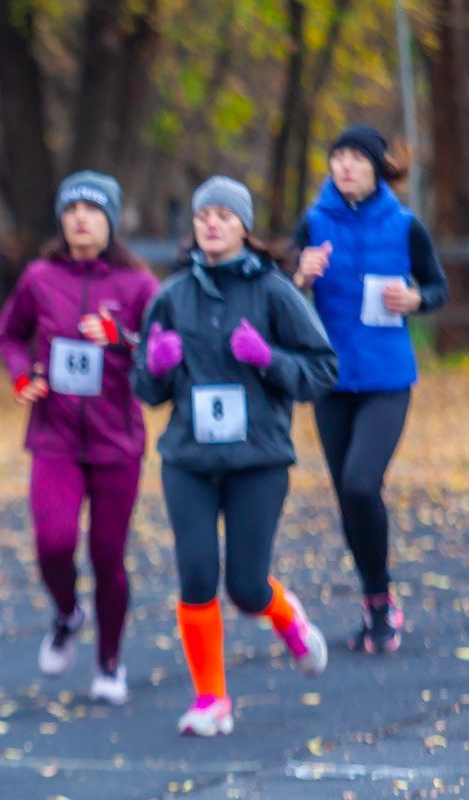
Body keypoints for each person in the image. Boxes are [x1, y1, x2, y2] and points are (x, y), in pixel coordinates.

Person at [133, 176, 338, 736]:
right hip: (189, 461)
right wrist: (156, 367)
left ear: (244, 227)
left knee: (246, 587)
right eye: (204, 216)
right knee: (196, 575)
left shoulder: (274, 292)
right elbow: (146, 391)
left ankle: (289, 620)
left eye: (225, 215)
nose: (212, 224)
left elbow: (322, 371)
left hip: (258, 460)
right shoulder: (170, 297)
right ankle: (211, 701)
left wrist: (268, 357)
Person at [0, 171, 160, 704]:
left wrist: (122, 338)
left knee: (108, 556)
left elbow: (163, 354)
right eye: (71, 210)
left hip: (117, 442)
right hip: (55, 437)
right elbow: (9, 334)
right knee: (54, 543)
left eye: (92, 210)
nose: (80, 219)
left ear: (111, 220)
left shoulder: (138, 286)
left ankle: (109, 660)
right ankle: (67, 613)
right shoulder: (40, 277)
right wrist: (24, 377)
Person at [292, 124, 448, 654]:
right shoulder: (312, 223)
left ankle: (380, 601)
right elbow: (276, 292)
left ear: (378, 167)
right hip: (330, 380)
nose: (346, 166)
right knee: (348, 497)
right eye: (338, 157)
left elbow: (438, 287)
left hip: (386, 379)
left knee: (362, 484)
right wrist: (299, 275)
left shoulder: (405, 226)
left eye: (358, 157)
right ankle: (376, 601)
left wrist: (416, 299)